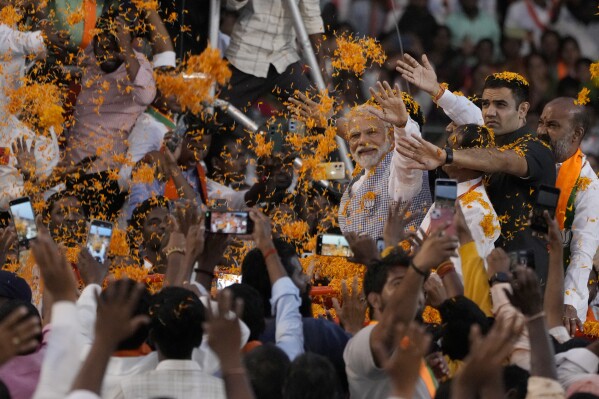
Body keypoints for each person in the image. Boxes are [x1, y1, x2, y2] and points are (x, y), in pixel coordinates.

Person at [396, 55, 556, 283]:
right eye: (486, 104)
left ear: (523, 109)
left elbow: (503, 160)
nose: (489, 112)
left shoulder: (537, 149)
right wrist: (436, 90)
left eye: (500, 105)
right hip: (471, 273)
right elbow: (438, 225)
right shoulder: (479, 147)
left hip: (522, 272)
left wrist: (446, 156)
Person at [344, 228, 458, 399]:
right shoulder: (362, 342)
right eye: (399, 284)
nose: (412, 292)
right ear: (374, 300)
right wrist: (419, 267)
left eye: (415, 286)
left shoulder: (411, 346)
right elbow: (394, 319)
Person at [63, 14, 156, 220]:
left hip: (104, 176)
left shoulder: (137, 64)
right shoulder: (92, 57)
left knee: (96, 243)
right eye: (102, 48)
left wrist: (125, 49)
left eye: (114, 49)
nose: (107, 55)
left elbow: (146, 95)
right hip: (71, 171)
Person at [336, 83, 431, 240]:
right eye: (354, 136)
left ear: (391, 136)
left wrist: (403, 125)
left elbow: (407, 154)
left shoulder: (401, 172)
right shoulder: (359, 179)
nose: (362, 141)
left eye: (371, 133)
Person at [537, 97, 599, 329]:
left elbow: (582, 251)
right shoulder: (531, 160)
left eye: (552, 126)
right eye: (541, 122)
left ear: (576, 134)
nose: (541, 131)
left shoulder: (588, 185)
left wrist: (569, 302)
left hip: (558, 290)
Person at [419, 123, 500, 275]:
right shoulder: (448, 193)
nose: (443, 151)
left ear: (467, 159)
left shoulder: (478, 210)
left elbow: (458, 274)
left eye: (450, 147)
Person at [221, 0, 325, 110]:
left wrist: (321, 64)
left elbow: (311, 17)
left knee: (317, 114)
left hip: (284, 56)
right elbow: (231, 4)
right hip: (247, 55)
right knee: (216, 117)